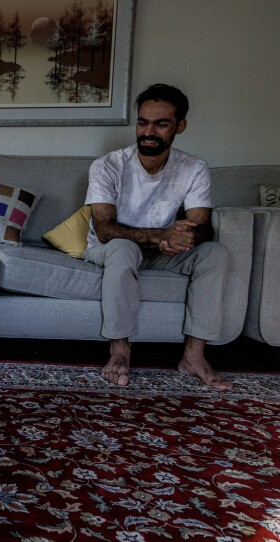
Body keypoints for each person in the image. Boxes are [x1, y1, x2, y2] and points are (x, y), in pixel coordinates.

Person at [83, 83, 232, 391]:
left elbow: (201, 226)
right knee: (123, 247)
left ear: (180, 126)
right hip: (111, 250)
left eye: (161, 124)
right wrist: (159, 235)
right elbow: (105, 229)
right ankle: (119, 350)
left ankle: (194, 355)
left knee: (215, 252)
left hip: (164, 253)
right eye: (143, 122)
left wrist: (181, 239)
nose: (148, 131)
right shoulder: (107, 166)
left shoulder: (194, 168)